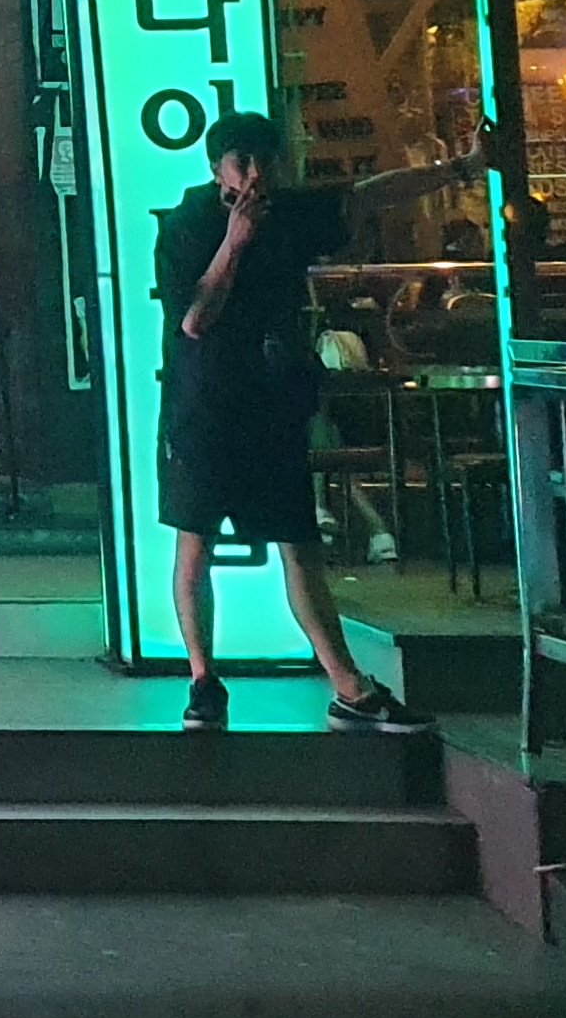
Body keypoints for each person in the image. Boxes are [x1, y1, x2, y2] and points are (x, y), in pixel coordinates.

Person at [153, 113, 461, 735]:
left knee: (299, 543)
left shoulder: (289, 212)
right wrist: (234, 243)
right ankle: (203, 679)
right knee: (195, 543)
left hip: (271, 403)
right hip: (204, 405)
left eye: (267, 161)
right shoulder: (187, 223)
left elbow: (368, 195)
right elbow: (195, 319)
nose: (257, 175)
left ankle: (349, 687)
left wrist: (458, 169)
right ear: (217, 169)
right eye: (242, 162)